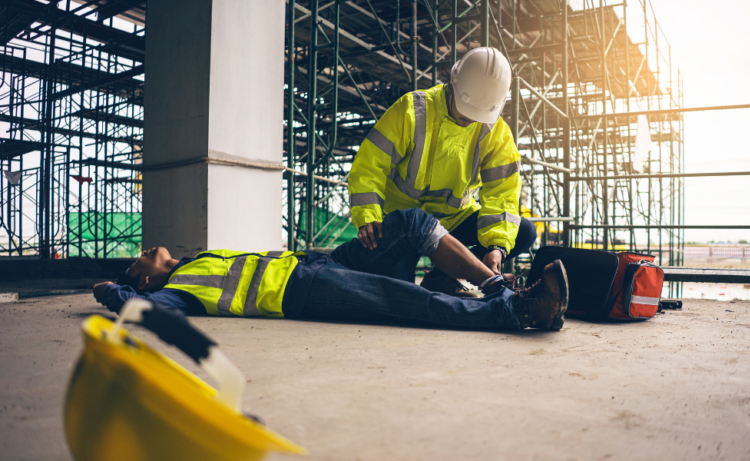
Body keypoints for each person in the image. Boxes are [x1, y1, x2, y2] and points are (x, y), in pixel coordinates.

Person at [93, 209, 568, 331]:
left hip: (312, 263)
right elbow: (139, 307)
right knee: (405, 302)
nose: (146, 249)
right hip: (303, 291)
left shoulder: (195, 260)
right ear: (146, 276)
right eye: (138, 260)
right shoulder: (176, 290)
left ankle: (492, 285)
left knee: (408, 226)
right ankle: (517, 312)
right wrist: (112, 289)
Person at [348, 47, 537, 298]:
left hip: (454, 221)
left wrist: (496, 247)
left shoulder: (496, 134)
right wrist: (368, 217)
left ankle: (444, 276)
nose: (470, 120)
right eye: (465, 113)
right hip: (405, 225)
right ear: (453, 85)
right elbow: (369, 165)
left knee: (525, 232)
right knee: (398, 291)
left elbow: (502, 194)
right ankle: (433, 271)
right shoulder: (413, 110)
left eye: (477, 116)